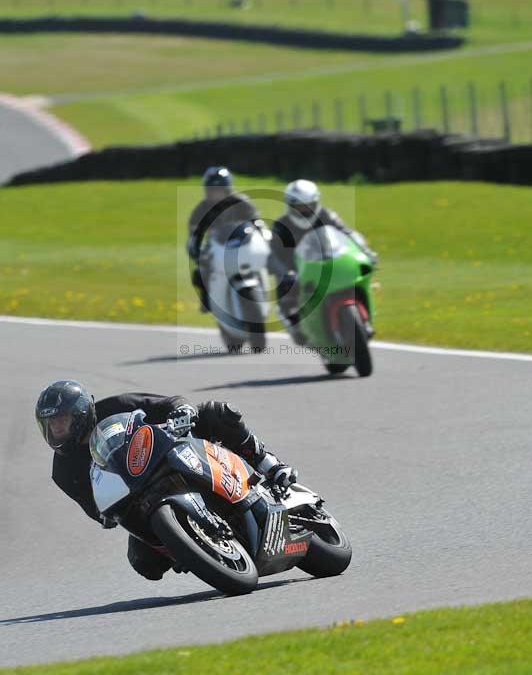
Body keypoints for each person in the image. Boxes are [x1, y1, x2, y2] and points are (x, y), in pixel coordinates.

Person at [36, 380, 297, 581]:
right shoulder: (63, 471)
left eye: (61, 421)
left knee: (215, 412)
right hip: (139, 496)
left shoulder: (115, 405)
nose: (56, 430)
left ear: (81, 414)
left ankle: (270, 465)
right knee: (144, 563)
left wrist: (181, 412)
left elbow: (168, 403)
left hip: (172, 451)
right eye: (50, 424)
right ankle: (194, 546)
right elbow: (95, 509)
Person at [269, 179, 378, 343]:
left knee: (357, 279)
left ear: (316, 202)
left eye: (308, 206)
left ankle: (364, 319)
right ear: (289, 206)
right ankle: (295, 325)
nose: (304, 211)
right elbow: (273, 254)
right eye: (298, 208)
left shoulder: (327, 215)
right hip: (296, 271)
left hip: (328, 262)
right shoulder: (281, 225)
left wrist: (366, 252)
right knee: (288, 299)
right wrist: (284, 273)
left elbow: (348, 234)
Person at [187, 166, 260, 312]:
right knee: (199, 273)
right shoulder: (201, 209)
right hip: (216, 245)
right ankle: (206, 298)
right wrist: (197, 252)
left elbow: (257, 223)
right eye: (212, 191)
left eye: (219, 190)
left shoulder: (242, 203)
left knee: (270, 261)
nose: (216, 194)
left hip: (242, 243)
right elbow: (194, 235)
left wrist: (261, 236)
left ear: (227, 189)